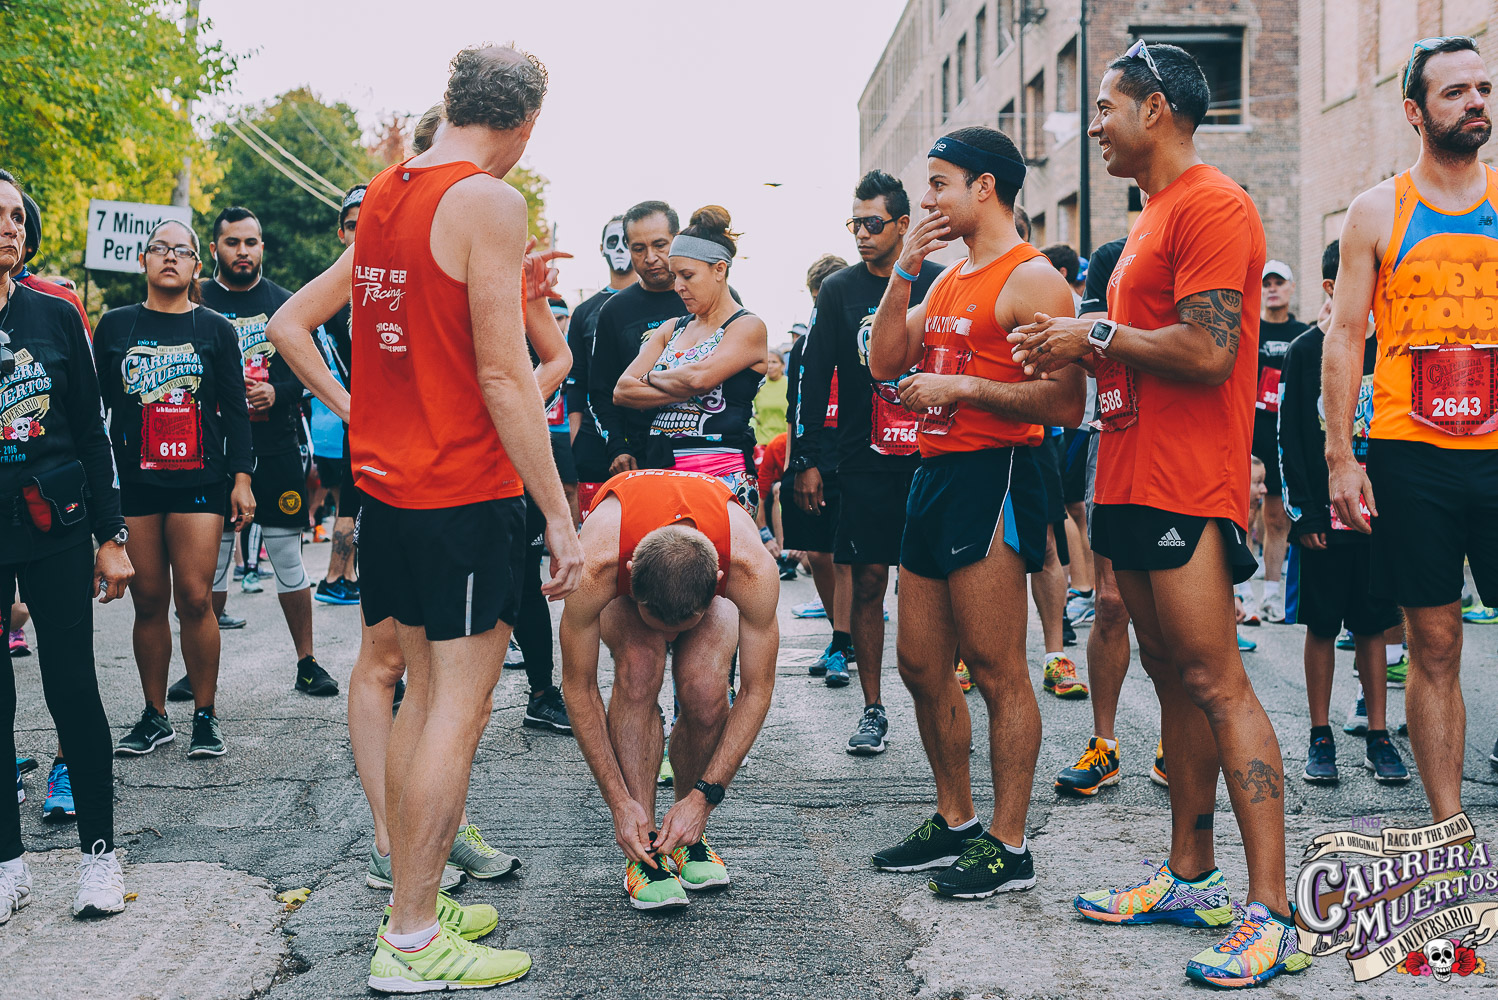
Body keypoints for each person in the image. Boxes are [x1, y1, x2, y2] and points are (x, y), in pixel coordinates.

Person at [268, 44, 584, 992]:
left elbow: (304, 324)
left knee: (414, 692)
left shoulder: (386, 191)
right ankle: (409, 939)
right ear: (527, 124)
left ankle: (417, 893)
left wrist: (359, 408)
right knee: (461, 703)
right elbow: (501, 374)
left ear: (448, 101)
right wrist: (561, 518)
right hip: (462, 490)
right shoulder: (488, 199)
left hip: (392, 491)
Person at [1010, 42, 1306, 987]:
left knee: (1218, 682)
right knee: (1173, 680)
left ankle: (1272, 911)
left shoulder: (1215, 203)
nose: (1093, 123)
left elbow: (1213, 350)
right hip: (1129, 474)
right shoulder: (1152, 216)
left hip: (1187, 481)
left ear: (1159, 110)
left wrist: (1094, 331)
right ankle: (1190, 874)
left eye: (1106, 105)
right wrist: (1083, 347)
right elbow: (1142, 345)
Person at [865, 125, 1083, 900]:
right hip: (934, 476)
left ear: (983, 187)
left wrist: (965, 390)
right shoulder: (949, 279)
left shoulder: (1031, 280)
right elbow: (885, 362)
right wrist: (903, 274)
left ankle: (1009, 843)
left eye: (938, 183)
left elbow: (1067, 401)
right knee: (920, 664)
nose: (926, 199)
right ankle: (954, 821)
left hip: (999, 472)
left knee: (998, 671)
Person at [1324, 35, 1497, 826]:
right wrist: (1340, 458)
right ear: (1415, 111)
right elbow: (1345, 338)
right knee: (1434, 646)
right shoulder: (1374, 210)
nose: (1476, 103)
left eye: (1483, 89)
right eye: (1456, 91)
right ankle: (1449, 824)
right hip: (1413, 451)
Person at [0, 168, 133, 921]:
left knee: (70, 689)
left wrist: (111, 536)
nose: (9, 226)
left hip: (56, 523)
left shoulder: (54, 317)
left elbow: (91, 433)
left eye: (17, 216)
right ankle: (7, 863)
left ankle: (98, 859)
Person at [560, 469, 778, 909]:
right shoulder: (596, 566)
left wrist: (703, 798)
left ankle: (684, 833)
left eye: (683, 625)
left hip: (700, 555)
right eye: (658, 622)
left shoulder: (750, 569)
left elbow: (757, 690)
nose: (670, 634)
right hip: (630, 548)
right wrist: (619, 802)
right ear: (628, 576)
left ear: (719, 582)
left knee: (704, 688)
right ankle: (643, 847)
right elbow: (578, 687)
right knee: (639, 668)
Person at [793, 169, 943, 753]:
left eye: (871, 223)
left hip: (933, 456)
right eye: (854, 223)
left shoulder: (939, 281)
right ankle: (874, 709)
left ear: (903, 225)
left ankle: (941, 699)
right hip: (864, 459)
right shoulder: (839, 291)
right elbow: (814, 375)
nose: (859, 233)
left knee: (935, 583)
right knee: (869, 582)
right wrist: (807, 456)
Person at [96, 220, 254, 761]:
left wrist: (242, 478)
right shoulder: (114, 326)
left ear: (194, 265)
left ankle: (204, 716)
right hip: (134, 483)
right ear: (143, 260)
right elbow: (96, 413)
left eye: (181, 251)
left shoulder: (214, 329)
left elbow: (234, 408)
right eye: (159, 249)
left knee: (194, 598)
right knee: (147, 602)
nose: (170, 258)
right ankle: (155, 714)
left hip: (200, 482)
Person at [1278, 239, 1407, 785]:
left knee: (1374, 626)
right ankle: (1319, 735)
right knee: (1324, 626)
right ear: (1333, 287)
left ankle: (1379, 735)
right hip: (1323, 523)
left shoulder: (1393, 349)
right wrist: (1303, 515)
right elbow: (1290, 440)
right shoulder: (1307, 351)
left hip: (1378, 522)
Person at [194, 205, 336, 699]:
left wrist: (279, 391)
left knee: (286, 555)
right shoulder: (196, 300)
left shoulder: (287, 304)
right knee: (211, 562)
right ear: (214, 249)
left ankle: (307, 662)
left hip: (275, 450)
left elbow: (311, 371)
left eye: (251, 242)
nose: (242, 251)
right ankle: (198, 670)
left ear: (261, 247)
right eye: (232, 243)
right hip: (212, 453)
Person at [612, 206, 767, 494]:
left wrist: (653, 376)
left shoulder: (747, 326)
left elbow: (700, 380)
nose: (677, 286)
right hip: (661, 468)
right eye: (675, 276)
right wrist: (681, 383)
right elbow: (621, 391)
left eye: (687, 275)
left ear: (719, 269)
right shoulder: (672, 328)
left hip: (721, 474)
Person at [783, 254, 853, 678]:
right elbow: (794, 412)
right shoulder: (800, 348)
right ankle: (838, 636)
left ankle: (843, 643)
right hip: (812, 456)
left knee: (845, 555)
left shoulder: (858, 341)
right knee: (818, 555)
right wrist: (795, 464)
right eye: (815, 298)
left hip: (849, 454)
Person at [588, 201, 684, 476]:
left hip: (706, 455)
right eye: (639, 249)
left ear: (678, 240)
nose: (650, 257)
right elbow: (601, 391)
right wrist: (617, 447)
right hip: (641, 458)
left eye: (660, 245)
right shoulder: (614, 311)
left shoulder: (711, 298)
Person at [314, 184, 365, 607]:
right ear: (341, 233)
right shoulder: (334, 291)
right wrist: (349, 407)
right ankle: (335, 575)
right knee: (349, 499)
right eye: (351, 224)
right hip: (353, 415)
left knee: (355, 499)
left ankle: (346, 574)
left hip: (366, 414)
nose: (359, 231)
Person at [1251, 259, 1308, 623]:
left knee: (1276, 518)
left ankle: (1272, 593)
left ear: (1290, 288)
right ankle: (1238, 593)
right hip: (1251, 432)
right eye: (1266, 282)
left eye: (1279, 282)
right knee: (1242, 511)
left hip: (1285, 434)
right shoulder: (1249, 332)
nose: (1272, 288)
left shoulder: (1303, 335)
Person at [568, 216, 637, 488]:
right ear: (602, 249)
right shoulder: (584, 312)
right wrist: (577, 437)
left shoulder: (662, 302)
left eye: (626, 242)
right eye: (612, 242)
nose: (620, 249)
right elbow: (575, 381)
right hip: (594, 441)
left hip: (646, 438)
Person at [752, 349, 787, 444]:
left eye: (774, 362)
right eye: (768, 362)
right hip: (762, 442)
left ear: (783, 365)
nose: (770, 366)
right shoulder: (759, 385)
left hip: (784, 442)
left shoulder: (791, 385)